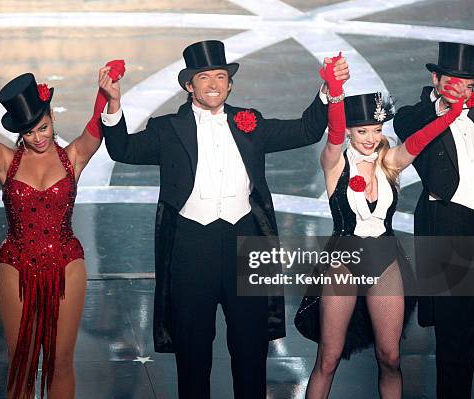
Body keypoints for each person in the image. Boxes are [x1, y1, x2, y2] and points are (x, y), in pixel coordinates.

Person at [100, 39, 349, 398]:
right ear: (189, 85)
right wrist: (113, 105)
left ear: (230, 84)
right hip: (190, 247)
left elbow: (306, 131)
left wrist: (328, 90)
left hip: (246, 243)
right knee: (193, 355)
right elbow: (123, 149)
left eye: (220, 76)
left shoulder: (251, 122)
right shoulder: (167, 129)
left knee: (251, 353)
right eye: (204, 77)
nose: (214, 84)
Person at [0, 47, 125, 398]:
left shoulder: (73, 157)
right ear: (19, 132)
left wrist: (107, 87)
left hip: (67, 263)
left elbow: (95, 126)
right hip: (17, 263)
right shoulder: (4, 161)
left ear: (52, 115)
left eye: (43, 127)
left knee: (61, 360)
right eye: (30, 133)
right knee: (21, 360)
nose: (38, 137)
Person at [295, 50, 473, 398]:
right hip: (343, 261)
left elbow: (417, 144)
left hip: (385, 258)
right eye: (362, 131)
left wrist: (450, 115)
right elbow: (332, 133)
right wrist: (335, 90)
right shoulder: (335, 163)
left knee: (390, 357)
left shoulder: (387, 161)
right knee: (328, 358)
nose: (370, 138)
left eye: (376, 130)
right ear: (349, 132)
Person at [393, 41, 474, 399]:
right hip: (447, 224)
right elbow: (412, 128)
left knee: (473, 326)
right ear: (435, 78)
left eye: (468, 82)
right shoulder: (414, 115)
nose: (461, 88)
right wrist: (445, 109)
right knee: (452, 331)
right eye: (452, 80)